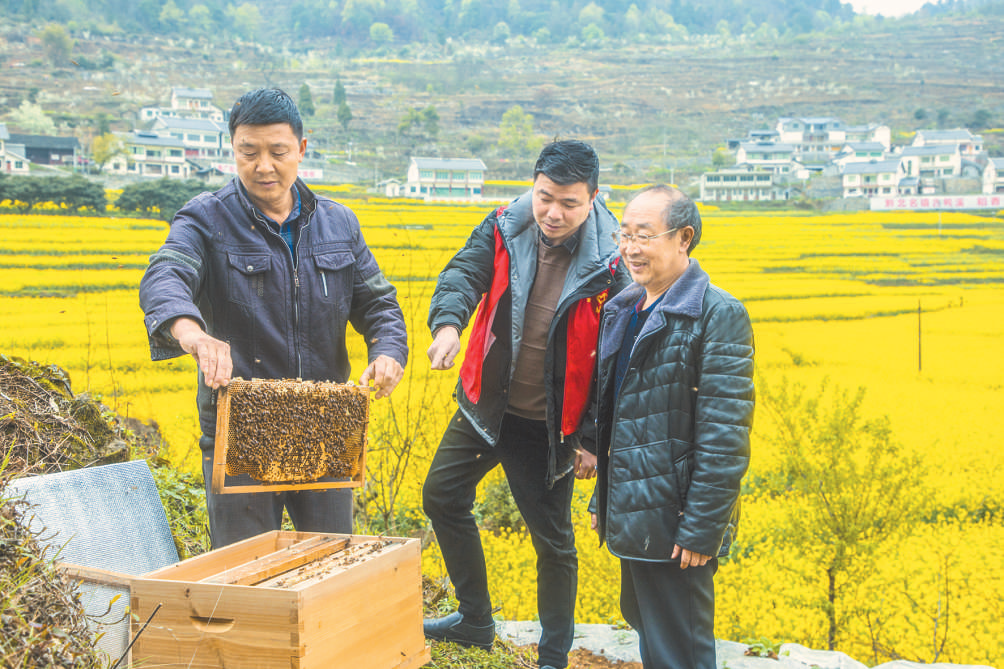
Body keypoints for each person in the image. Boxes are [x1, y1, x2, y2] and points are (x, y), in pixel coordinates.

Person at [138, 88, 407, 549]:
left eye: (278, 152)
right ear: (233, 151)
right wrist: (193, 334)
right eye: (249, 152)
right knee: (244, 571)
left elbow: (379, 305)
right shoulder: (204, 219)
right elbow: (165, 275)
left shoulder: (339, 223)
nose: (264, 165)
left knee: (328, 565)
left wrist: (387, 353)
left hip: (327, 430)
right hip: (240, 430)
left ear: (302, 150)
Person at [422, 140, 629, 669]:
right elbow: (462, 274)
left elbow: (617, 360)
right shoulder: (502, 226)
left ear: (594, 198)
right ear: (532, 187)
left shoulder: (613, 263)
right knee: (442, 497)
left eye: (569, 203)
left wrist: (590, 440)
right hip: (486, 406)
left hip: (549, 426)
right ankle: (474, 619)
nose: (553, 214)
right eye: (545, 198)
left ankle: (554, 655)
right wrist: (449, 325)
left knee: (553, 543)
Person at [589, 185, 754, 669]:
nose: (629, 248)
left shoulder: (717, 315)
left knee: (681, 649)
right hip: (637, 512)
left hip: (677, 520)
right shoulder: (624, 308)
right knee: (647, 627)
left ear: (684, 238)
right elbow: (619, 418)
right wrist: (607, 498)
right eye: (624, 235)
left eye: (644, 235)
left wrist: (702, 528)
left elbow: (725, 437)